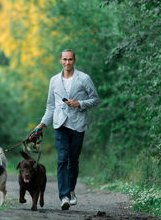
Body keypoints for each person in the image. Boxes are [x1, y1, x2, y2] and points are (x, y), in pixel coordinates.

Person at [35, 49, 99, 210]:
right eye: (64, 59)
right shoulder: (54, 81)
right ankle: (64, 196)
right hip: (60, 124)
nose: (67, 62)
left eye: (70, 59)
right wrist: (42, 125)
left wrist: (80, 103)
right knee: (62, 159)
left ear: (74, 60)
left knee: (73, 161)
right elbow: (50, 106)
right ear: (60, 61)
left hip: (78, 124)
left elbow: (95, 99)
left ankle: (71, 190)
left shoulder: (84, 78)